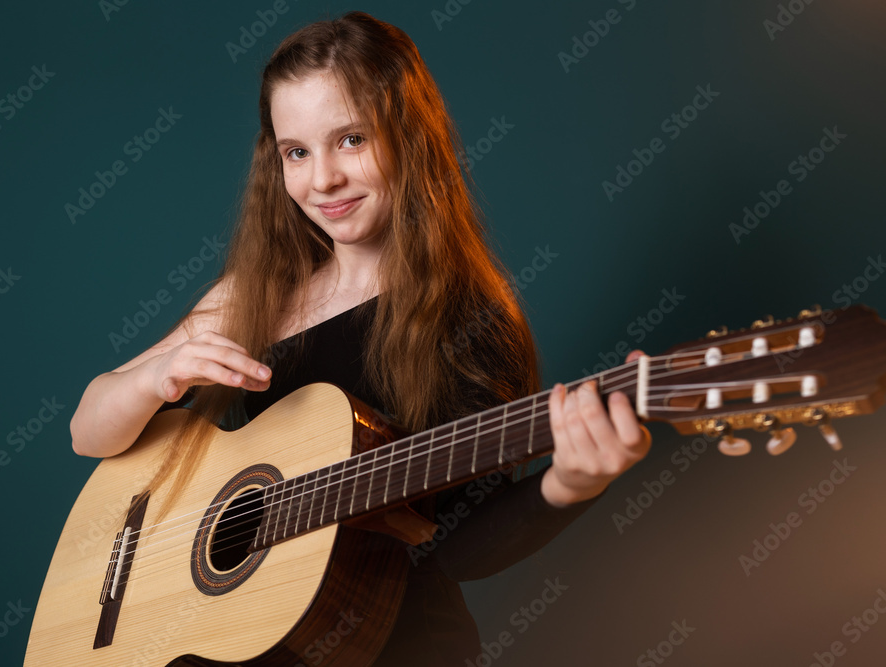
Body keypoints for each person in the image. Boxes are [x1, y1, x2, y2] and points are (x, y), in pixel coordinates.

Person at [70, 11, 651, 665]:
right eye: (297, 152)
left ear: (409, 137)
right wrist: (155, 377)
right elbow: (88, 430)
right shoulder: (254, 293)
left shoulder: (469, 321)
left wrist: (570, 483)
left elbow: (457, 547)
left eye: (350, 139)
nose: (322, 180)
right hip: (246, 644)